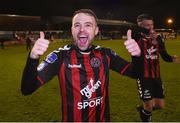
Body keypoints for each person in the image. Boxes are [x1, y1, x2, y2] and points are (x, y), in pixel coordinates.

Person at [21, 9, 141, 122]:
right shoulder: (60, 56)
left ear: (96, 30)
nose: (82, 30)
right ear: (72, 29)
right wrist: (33, 58)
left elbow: (135, 73)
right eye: (77, 25)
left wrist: (137, 56)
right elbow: (27, 89)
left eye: (88, 25)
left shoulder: (106, 54)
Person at [133, 14, 180, 122]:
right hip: (143, 76)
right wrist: (145, 31)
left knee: (160, 105)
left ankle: (143, 110)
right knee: (149, 106)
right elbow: (132, 28)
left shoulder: (158, 38)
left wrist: (172, 58)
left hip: (156, 75)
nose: (150, 27)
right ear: (140, 25)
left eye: (152, 25)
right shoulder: (136, 37)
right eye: (147, 25)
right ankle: (146, 115)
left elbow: (164, 55)